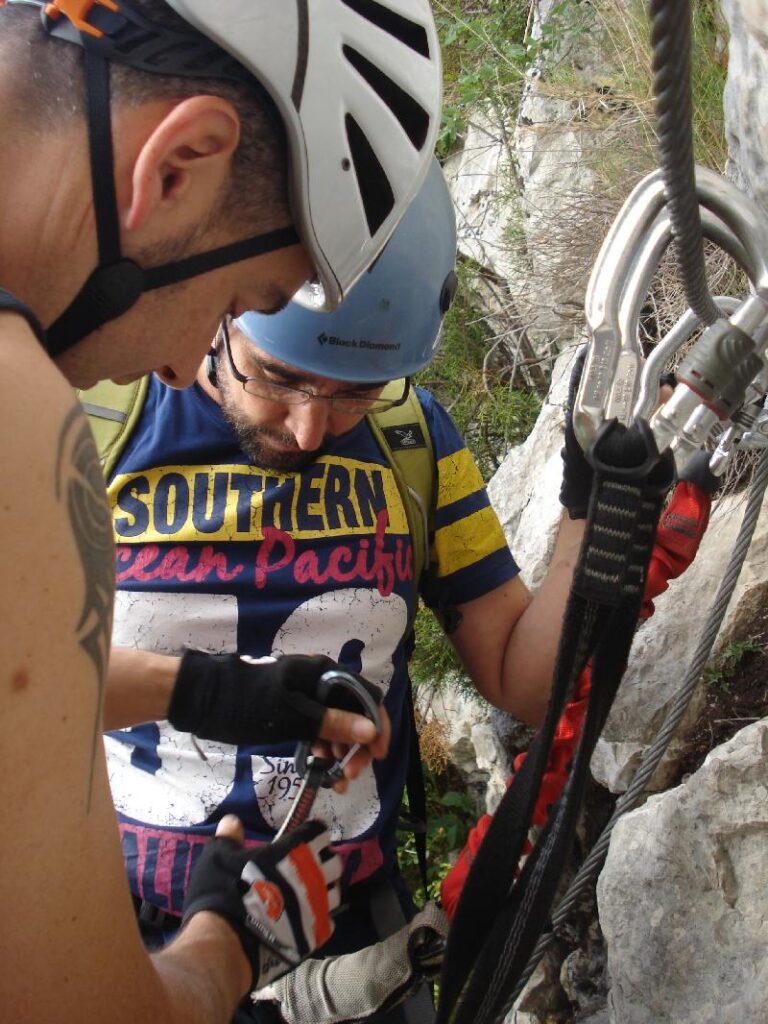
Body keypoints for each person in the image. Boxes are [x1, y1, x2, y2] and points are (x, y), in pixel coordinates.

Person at [0, 1, 442, 1021]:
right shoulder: (20, 407)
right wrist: (227, 942)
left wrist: (200, 689)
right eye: (240, 301)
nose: (176, 364)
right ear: (179, 164)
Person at [85, 161, 587, 1021]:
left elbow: (521, 676)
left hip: (349, 939)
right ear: (222, 305)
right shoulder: (94, 425)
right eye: (277, 376)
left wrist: (589, 516)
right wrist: (203, 690)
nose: (311, 428)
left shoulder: (412, 439)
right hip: (116, 926)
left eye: (354, 392)